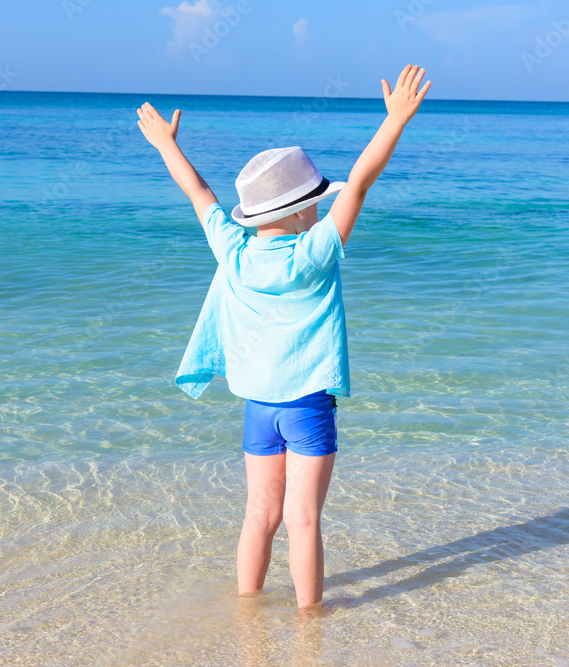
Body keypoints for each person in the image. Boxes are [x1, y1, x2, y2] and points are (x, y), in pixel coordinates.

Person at [136, 64, 432, 611]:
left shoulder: (233, 250)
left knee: (259, 514)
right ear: (301, 211)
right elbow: (362, 181)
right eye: (316, 202)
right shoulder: (314, 253)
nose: (321, 207)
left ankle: (247, 609)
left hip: (256, 405)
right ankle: (308, 622)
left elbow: (198, 191)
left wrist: (164, 145)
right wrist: (395, 122)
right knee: (303, 519)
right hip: (308, 405)